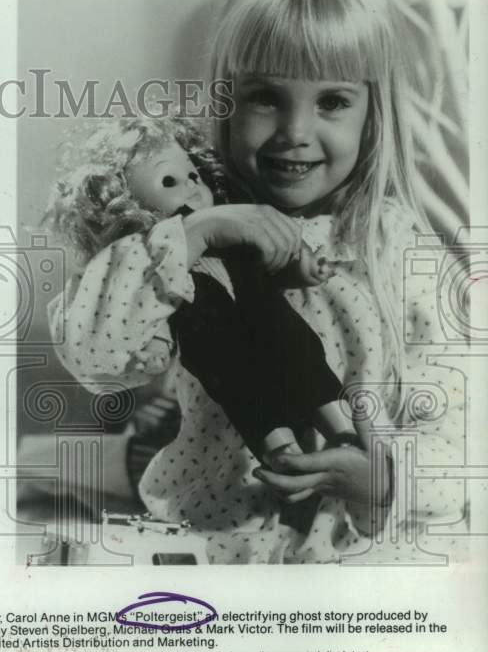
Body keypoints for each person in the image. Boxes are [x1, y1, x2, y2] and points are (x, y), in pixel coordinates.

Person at [48, 0, 465, 563]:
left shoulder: (400, 252)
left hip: (362, 550)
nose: (296, 130)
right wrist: (198, 232)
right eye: (266, 98)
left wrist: (385, 481)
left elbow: (459, 427)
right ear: (226, 102)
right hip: (223, 539)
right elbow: (95, 357)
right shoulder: (178, 240)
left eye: (332, 102)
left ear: (373, 114)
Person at [45, 114, 358, 476]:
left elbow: (276, 260)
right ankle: (279, 447)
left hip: (275, 327)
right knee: (237, 383)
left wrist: (304, 269)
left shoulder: (237, 234)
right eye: (169, 181)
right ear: (128, 206)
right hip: (223, 357)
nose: (193, 187)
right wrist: (157, 348)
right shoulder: (157, 264)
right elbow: (160, 317)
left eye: (194, 175)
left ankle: (341, 427)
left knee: (300, 347)